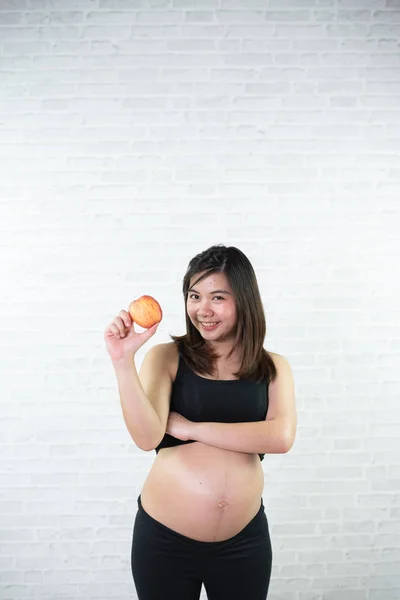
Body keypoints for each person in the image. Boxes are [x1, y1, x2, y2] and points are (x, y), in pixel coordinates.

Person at [104, 244, 297, 600]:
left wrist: (189, 428)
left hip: (244, 543)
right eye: (194, 296)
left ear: (244, 300)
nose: (202, 310)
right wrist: (122, 361)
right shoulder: (167, 357)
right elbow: (147, 437)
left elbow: (280, 437)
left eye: (218, 297)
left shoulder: (273, 367)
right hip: (165, 541)